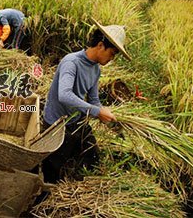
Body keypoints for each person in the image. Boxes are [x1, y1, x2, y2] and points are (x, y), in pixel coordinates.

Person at [42, 18, 131, 183]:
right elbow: (64, 95)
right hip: (57, 124)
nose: (112, 59)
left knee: (92, 155)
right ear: (100, 45)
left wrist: (108, 119)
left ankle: (80, 181)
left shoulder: (95, 69)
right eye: (112, 53)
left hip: (77, 120)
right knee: (53, 170)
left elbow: (94, 100)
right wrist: (97, 112)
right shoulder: (72, 62)